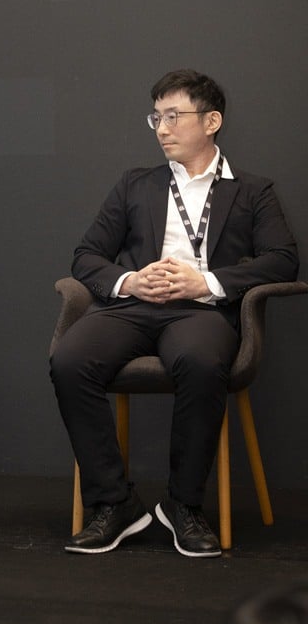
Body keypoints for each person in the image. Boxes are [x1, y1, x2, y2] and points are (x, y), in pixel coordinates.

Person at [50, 69, 299, 557]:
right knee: (69, 360)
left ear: (211, 121)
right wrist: (130, 280)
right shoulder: (135, 184)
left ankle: (184, 505)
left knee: (202, 362)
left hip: (201, 313)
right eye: (156, 118)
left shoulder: (253, 191)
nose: (161, 129)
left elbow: (283, 260)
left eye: (173, 116)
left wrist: (206, 282)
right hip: (133, 306)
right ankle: (114, 502)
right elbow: (86, 256)